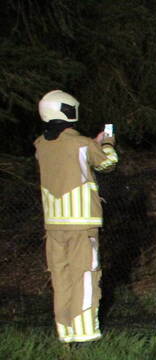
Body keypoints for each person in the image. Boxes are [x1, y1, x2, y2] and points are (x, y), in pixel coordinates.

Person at [34, 90, 119, 343]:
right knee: (85, 275)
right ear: (69, 111)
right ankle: (85, 334)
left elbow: (71, 159)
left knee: (61, 277)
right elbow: (107, 163)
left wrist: (91, 144)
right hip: (81, 223)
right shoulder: (81, 144)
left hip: (54, 225)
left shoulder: (41, 145)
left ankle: (65, 331)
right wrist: (107, 142)